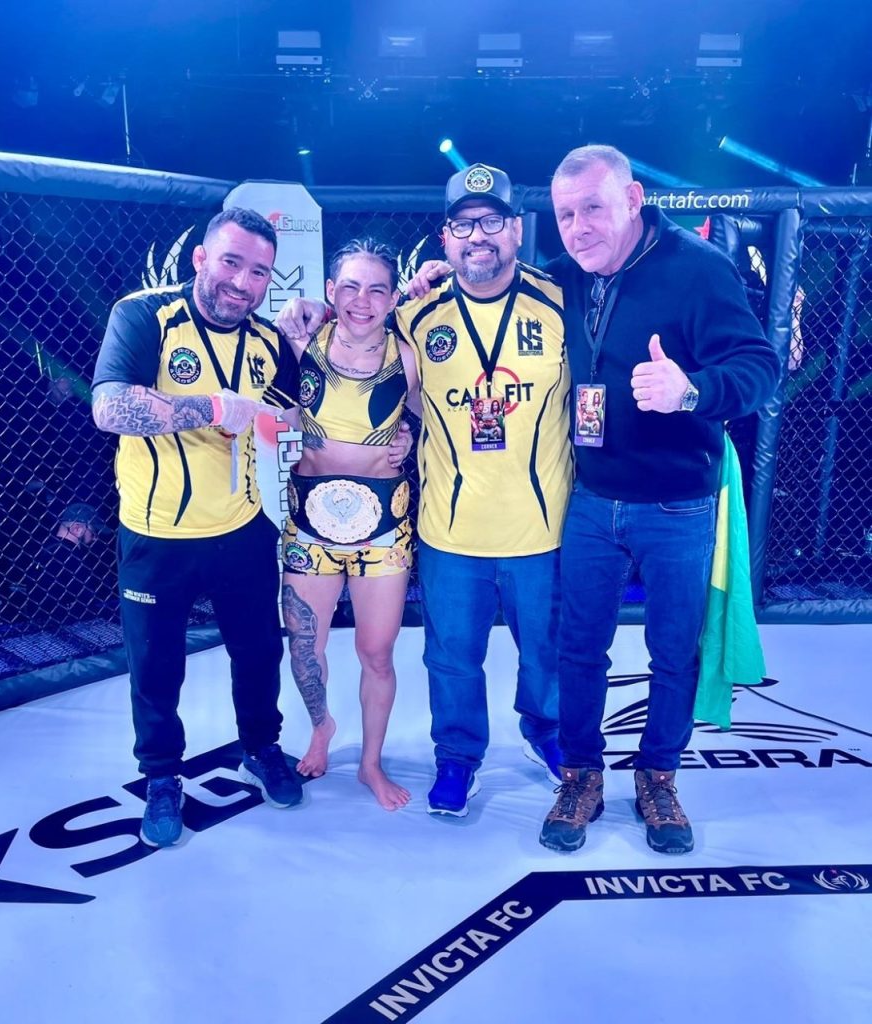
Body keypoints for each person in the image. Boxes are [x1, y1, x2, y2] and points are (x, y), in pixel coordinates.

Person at [278, 164, 571, 818]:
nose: (478, 235)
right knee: (451, 658)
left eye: (491, 221)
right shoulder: (414, 316)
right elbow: (359, 334)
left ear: (516, 229)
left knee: (544, 650)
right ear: (446, 237)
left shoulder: (559, 302)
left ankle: (547, 733)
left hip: (541, 521)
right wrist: (312, 311)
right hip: (448, 524)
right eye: (464, 225)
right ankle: (458, 757)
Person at [538, 145, 780, 854]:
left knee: (673, 651)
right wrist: (432, 279)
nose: (578, 227)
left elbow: (759, 367)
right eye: (565, 215)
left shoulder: (698, 269)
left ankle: (659, 777)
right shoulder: (564, 276)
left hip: (678, 504)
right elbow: (494, 289)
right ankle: (580, 775)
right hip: (591, 497)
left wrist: (691, 391)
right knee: (578, 648)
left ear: (634, 199)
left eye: (592, 208)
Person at [92, 206, 306, 849]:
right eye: (232, 262)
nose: (243, 282)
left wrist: (295, 400)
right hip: (156, 533)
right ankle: (162, 777)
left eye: (260, 272)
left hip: (242, 528)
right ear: (201, 258)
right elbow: (109, 408)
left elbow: (284, 416)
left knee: (259, 652)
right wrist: (211, 406)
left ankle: (261, 747)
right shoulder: (144, 315)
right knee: (156, 666)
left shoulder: (268, 341)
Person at [278, 238, 420, 811]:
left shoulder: (410, 357)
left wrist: (410, 440)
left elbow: (440, 421)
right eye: (351, 287)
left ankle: (370, 763)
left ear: (392, 299)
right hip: (308, 523)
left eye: (377, 289)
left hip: (383, 526)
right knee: (303, 647)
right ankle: (322, 727)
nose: (363, 300)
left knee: (376, 652)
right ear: (331, 291)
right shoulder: (300, 340)